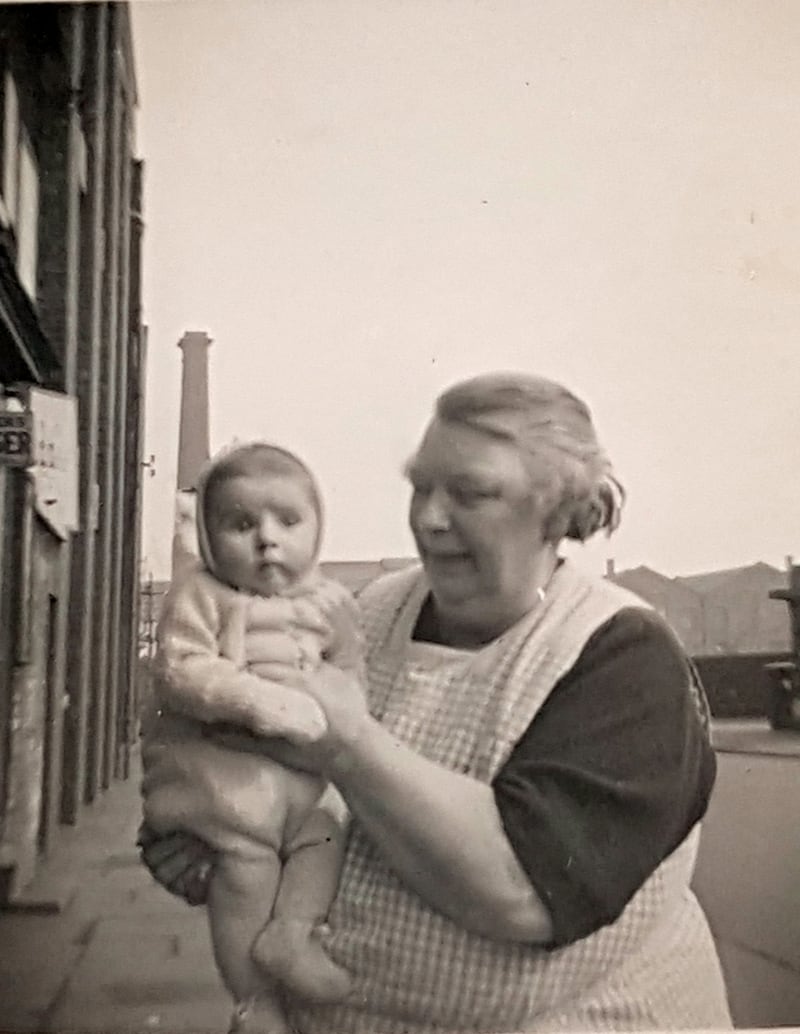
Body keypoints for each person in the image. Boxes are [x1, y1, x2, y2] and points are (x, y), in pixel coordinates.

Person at [139, 372, 733, 1033]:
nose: (428, 516)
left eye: (469, 493)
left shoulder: (622, 653)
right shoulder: (368, 611)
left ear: (557, 511)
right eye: (421, 486)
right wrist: (210, 839)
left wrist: (347, 744)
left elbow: (524, 893)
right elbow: (255, 768)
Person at [144, 441, 364, 1033]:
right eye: (241, 524)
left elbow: (353, 679)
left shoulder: (332, 603)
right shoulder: (201, 596)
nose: (268, 539)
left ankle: (291, 937)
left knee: (324, 837)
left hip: (301, 789)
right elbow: (181, 670)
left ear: (317, 529)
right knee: (245, 870)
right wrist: (264, 704)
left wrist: (340, 698)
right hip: (223, 781)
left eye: (288, 521)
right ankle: (252, 1002)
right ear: (211, 539)